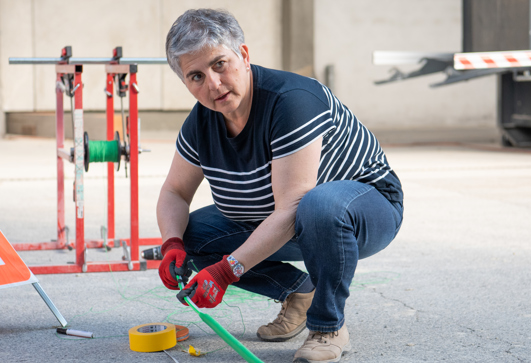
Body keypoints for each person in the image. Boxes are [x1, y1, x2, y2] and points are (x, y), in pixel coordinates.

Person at [156, 8, 403, 363]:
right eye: (196, 76)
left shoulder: (291, 101)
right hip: (289, 219)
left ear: (243, 55)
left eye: (220, 64)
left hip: (364, 208)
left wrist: (227, 271)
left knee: (318, 205)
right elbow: (174, 193)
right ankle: (299, 292)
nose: (213, 84)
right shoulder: (201, 122)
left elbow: (292, 207)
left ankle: (328, 326)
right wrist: (172, 244)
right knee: (194, 234)